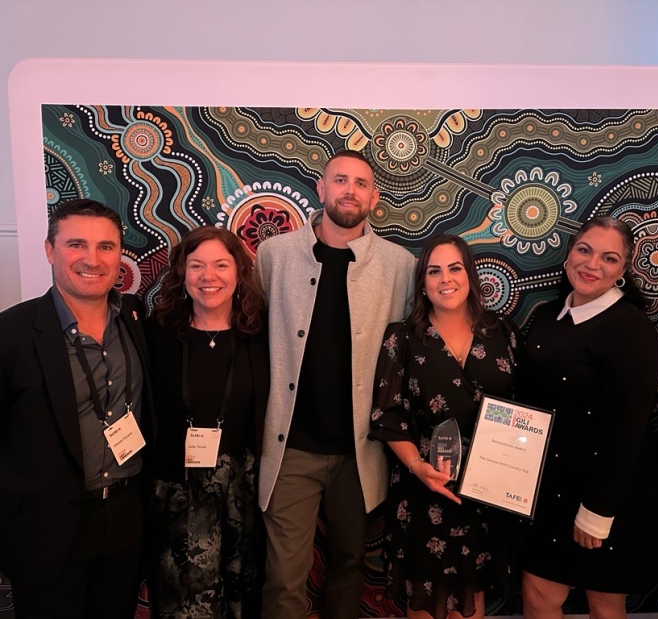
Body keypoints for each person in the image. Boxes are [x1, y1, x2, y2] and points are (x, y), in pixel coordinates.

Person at [255, 149, 416, 618]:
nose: (350, 190)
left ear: (374, 197)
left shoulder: (398, 265)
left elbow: (408, 355)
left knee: (350, 564)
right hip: (289, 448)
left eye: (361, 183)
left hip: (361, 452)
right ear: (321, 188)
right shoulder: (274, 254)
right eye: (340, 180)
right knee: (284, 575)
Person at [0, 199, 154, 619]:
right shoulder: (11, 333)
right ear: (50, 250)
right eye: (76, 244)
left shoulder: (137, 319)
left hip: (124, 518)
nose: (92, 259)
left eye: (106, 247)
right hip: (46, 529)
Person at [516, 217, 658, 619]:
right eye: (585, 250)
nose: (592, 264)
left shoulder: (632, 330)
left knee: (603, 602)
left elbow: (628, 431)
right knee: (538, 593)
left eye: (609, 257)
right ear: (569, 254)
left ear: (623, 269)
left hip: (605, 493)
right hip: (549, 488)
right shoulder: (548, 315)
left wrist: (597, 512)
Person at [370, 234, 521, 619]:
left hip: (487, 490)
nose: (445, 279)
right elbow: (388, 415)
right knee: (424, 602)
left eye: (455, 268)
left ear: (470, 275)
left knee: (472, 601)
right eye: (433, 271)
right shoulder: (401, 337)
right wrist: (418, 467)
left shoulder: (502, 331)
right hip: (423, 488)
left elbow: (525, 408)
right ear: (422, 282)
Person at [147, 226, 268, 617]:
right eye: (196, 265)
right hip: (177, 488)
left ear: (239, 272)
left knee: (241, 593)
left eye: (220, 265)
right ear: (182, 272)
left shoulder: (261, 335)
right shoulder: (155, 333)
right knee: (185, 601)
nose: (208, 276)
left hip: (244, 488)